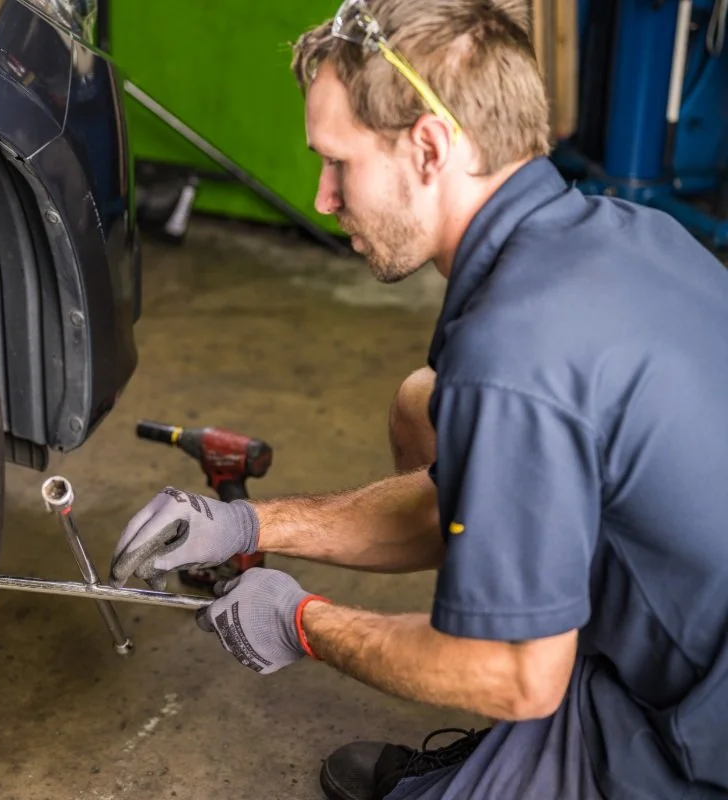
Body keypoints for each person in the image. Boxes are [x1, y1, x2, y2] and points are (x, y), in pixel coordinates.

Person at [108, 0, 728, 798]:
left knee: (498, 680)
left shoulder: (515, 352)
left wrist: (301, 622)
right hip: (694, 641)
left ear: (430, 148)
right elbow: (468, 501)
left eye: (339, 163)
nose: (325, 198)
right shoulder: (631, 236)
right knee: (421, 403)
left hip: (701, 744)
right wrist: (252, 523)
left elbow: (517, 674)